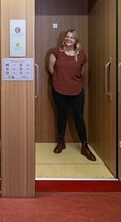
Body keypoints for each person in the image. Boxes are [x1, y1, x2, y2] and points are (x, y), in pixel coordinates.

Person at [48, 28, 96, 161]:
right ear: (64, 38)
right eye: (67, 37)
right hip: (59, 90)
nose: (69, 39)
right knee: (61, 116)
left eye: (72, 37)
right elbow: (51, 69)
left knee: (79, 117)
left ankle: (85, 146)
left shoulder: (81, 55)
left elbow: (82, 71)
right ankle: (61, 142)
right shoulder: (56, 52)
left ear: (76, 41)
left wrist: (71, 80)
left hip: (77, 91)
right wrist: (60, 79)